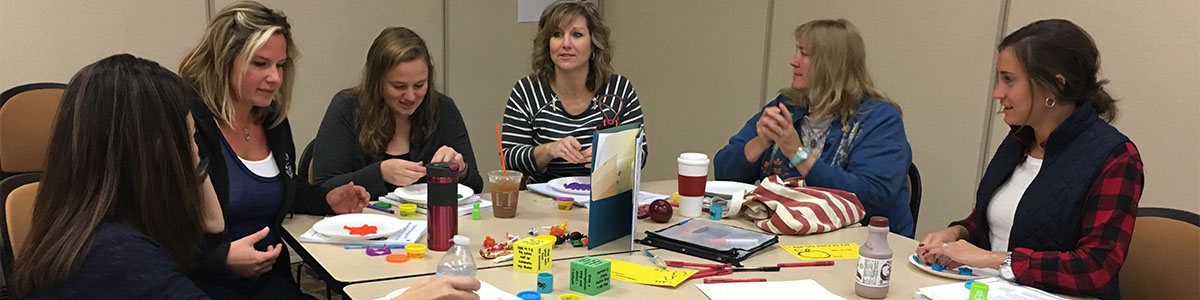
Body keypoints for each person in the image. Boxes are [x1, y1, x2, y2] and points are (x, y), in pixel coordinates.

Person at [916, 19, 1142, 300]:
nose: (998, 93)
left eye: (1009, 80)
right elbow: (998, 221)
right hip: (990, 291)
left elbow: (1094, 268)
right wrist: (958, 233)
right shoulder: (1019, 140)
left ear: (1055, 87)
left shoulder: (1116, 157)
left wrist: (991, 259)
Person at [177, 1, 370, 298]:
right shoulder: (188, 124)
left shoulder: (272, 121)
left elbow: (279, 189)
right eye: (260, 64)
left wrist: (326, 199)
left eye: (280, 65)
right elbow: (156, 230)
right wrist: (220, 259)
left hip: (267, 282)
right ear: (224, 60)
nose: (275, 78)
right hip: (202, 285)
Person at [11, 54, 215, 299]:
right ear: (156, 152)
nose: (196, 151)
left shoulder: (82, 232)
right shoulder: (118, 254)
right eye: (190, 138)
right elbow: (214, 225)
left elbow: (214, 225)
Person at [713, 19, 914, 237]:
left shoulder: (879, 119)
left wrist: (797, 154)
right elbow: (724, 176)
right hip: (784, 236)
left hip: (859, 248)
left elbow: (872, 198)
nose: (793, 61)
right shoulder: (787, 105)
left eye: (804, 54)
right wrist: (760, 142)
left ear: (831, 63)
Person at [312, 27, 483, 196]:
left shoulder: (443, 109)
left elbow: (477, 186)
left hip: (427, 221)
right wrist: (380, 173)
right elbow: (322, 189)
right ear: (376, 81)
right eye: (398, 86)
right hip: (365, 221)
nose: (410, 96)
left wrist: (460, 170)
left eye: (419, 85)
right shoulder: (347, 108)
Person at [501, 0, 647, 184]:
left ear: (594, 44)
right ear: (548, 44)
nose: (566, 44)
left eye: (577, 34)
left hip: (603, 195)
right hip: (542, 202)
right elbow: (510, 158)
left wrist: (609, 156)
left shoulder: (619, 89)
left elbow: (640, 153)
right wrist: (550, 150)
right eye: (557, 34)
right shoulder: (526, 91)